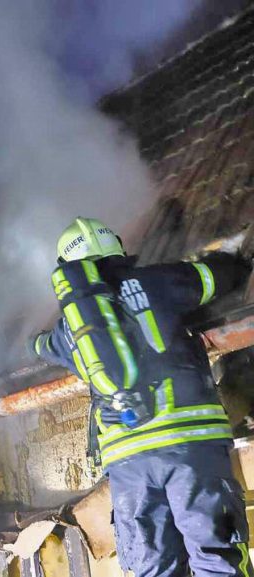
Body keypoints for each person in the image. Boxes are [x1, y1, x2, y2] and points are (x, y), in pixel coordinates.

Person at [29, 216, 252, 577]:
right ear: (115, 249)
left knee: (154, 569)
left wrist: (28, 338)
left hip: (129, 468)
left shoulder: (70, 329)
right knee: (217, 558)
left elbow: (38, 346)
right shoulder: (155, 282)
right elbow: (217, 277)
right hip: (188, 446)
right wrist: (234, 256)